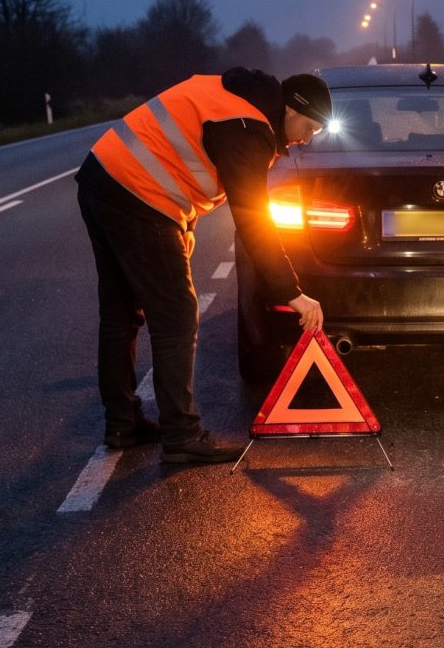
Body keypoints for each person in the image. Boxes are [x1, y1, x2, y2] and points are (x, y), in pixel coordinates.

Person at [75, 69, 330, 464]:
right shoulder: (249, 129)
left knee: (121, 312)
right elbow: (254, 222)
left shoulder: (235, 102)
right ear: (292, 108)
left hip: (102, 177)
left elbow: (179, 160)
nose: (304, 141)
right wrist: (292, 293)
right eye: (309, 127)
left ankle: (123, 424)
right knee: (176, 315)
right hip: (137, 194)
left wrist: (184, 226)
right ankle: (181, 435)